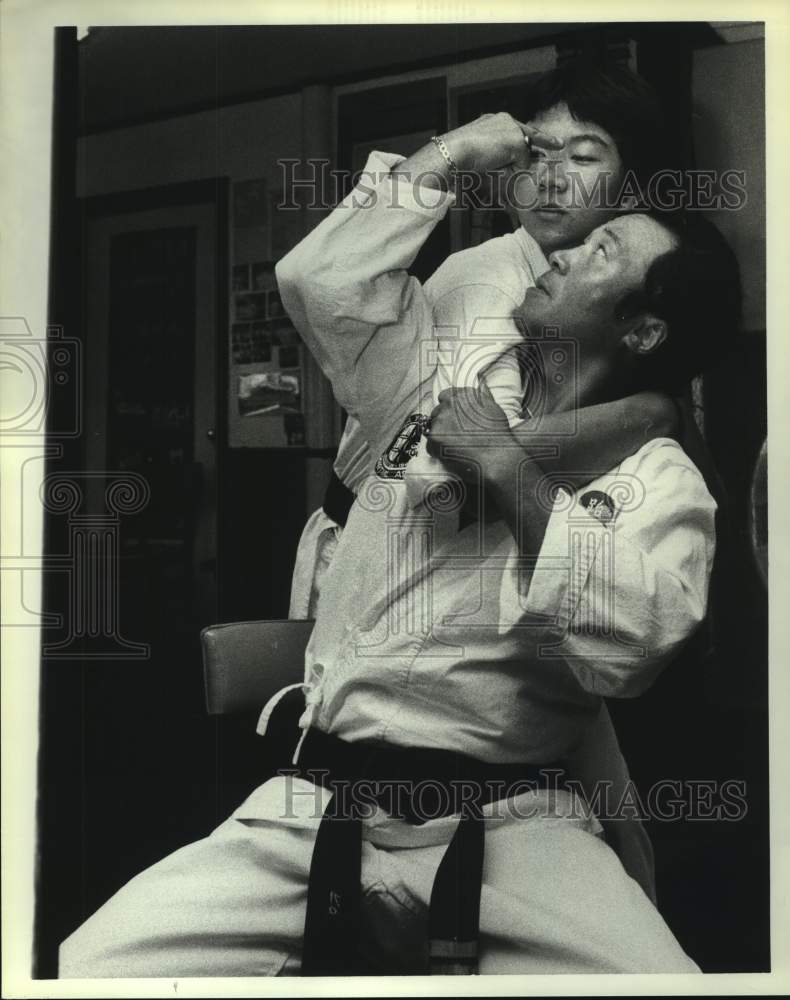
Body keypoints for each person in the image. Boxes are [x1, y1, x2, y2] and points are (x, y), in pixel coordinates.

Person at [59, 113, 740, 977]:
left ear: (643, 332)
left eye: (604, 255)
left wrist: (507, 466)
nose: (563, 252)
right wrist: (454, 153)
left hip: (513, 824)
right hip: (315, 802)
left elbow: (636, 640)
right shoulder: (430, 380)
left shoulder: (658, 472)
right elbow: (321, 278)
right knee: (86, 973)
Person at [288, 62, 680, 901]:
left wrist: (653, 414)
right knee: (361, 808)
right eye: (538, 151)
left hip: (506, 592)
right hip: (395, 557)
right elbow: (465, 460)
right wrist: (457, 148)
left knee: (603, 825)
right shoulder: (483, 277)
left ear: (630, 184)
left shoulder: (617, 295)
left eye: (586, 154)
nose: (551, 176)